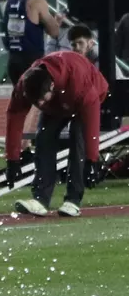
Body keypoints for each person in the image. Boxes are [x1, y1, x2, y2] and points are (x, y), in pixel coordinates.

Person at [6, 49, 107, 218]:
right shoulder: (26, 85)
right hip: (58, 104)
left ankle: (73, 200)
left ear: (51, 86)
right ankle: (40, 199)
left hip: (90, 95)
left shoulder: (78, 82)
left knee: (78, 139)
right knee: (44, 138)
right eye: (35, 102)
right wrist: (12, 159)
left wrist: (92, 159)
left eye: (41, 99)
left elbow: (92, 122)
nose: (39, 104)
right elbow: (14, 118)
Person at [4, 0, 62, 84]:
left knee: (20, 100)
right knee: (39, 99)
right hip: (31, 61)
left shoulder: (10, 2)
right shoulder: (36, 1)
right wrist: (57, 22)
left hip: (13, 60)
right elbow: (54, 32)